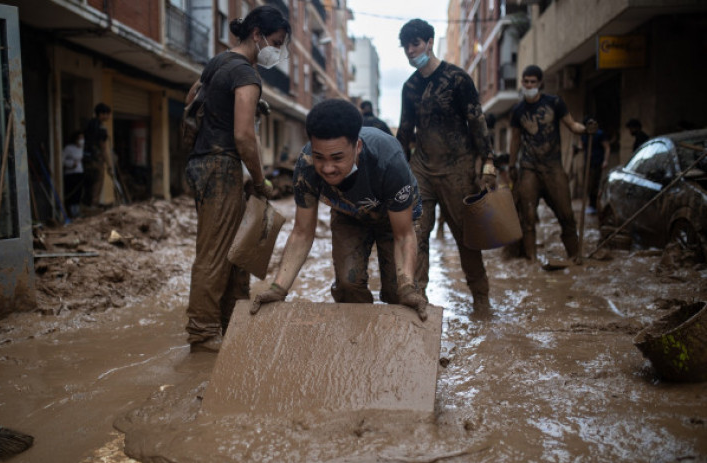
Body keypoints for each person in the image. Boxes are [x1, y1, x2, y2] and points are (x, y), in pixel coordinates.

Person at [251, 99, 427, 321]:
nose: (327, 168)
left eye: (337, 158)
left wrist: (408, 287)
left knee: (399, 293)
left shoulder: (388, 161)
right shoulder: (306, 167)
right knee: (348, 283)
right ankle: (358, 342)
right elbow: (302, 233)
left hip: (395, 219)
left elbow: (403, 235)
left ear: (357, 148)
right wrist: (278, 288)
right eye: (319, 157)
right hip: (349, 215)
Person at [185, 6, 290, 353]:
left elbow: (192, 100)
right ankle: (202, 332)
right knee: (215, 252)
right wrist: (260, 181)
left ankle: (232, 320)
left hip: (203, 162)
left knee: (232, 248)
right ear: (257, 34)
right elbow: (245, 136)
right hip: (221, 165)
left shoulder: (218, 63)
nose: (277, 51)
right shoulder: (246, 73)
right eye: (275, 43)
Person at [395, 18, 497, 312]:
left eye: (415, 44)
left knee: (467, 238)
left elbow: (477, 120)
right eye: (406, 47)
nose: (411, 51)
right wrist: (398, 171)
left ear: (429, 42)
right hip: (422, 171)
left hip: (459, 170)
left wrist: (487, 162)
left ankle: (481, 299)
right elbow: (405, 131)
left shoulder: (457, 79)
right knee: (416, 235)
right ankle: (417, 298)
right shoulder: (409, 87)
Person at [508, 65, 595, 263]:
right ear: (522, 82)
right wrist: (512, 165)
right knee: (528, 218)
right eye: (526, 82)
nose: (529, 85)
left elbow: (572, 125)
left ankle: (574, 256)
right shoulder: (518, 110)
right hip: (529, 168)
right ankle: (531, 260)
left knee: (566, 214)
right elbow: (515, 140)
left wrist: (585, 130)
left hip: (553, 167)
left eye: (532, 82)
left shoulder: (555, 103)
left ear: (539, 84)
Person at [576, 116, 610, 215]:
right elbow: (581, 146)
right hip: (588, 163)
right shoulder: (584, 135)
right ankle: (591, 204)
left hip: (597, 162)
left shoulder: (599, 134)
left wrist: (605, 161)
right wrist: (576, 149)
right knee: (587, 184)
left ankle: (594, 205)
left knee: (594, 184)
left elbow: (607, 147)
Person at [82, 103, 111, 208]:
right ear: (102, 114)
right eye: (107, 114)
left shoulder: (89, 124)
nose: (108, 117)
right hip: (96, 159)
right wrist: (109, 164)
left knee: (87, 185)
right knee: (97, 185)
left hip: (86, 159)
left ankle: (85, 206)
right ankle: (93, 208)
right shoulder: (101, 128)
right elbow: (103, 147)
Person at [62, 130, 85, 218]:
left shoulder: (81, 148)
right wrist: (71, 165)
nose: (82, 140)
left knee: (78, 193)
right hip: (71, 173)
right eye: (80, 138)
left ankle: (77, 211)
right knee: (71, 193)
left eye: (83, 138)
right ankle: (72, 212)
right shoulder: (68, 148)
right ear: (75, 139)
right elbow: (62, 160)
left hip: (79, 172)